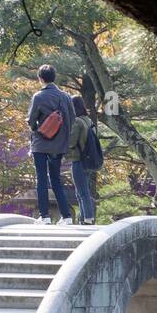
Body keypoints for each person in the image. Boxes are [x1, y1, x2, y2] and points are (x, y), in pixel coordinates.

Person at [26, 64, 76, 225]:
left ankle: (45, 216)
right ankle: (67, 217)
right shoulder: (66, 97)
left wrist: (37, 128)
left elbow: (31, 120)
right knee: (56, 180)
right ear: (54, 77)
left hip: (41, 144)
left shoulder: (38, 97)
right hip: (59, 145)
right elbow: (72, 118)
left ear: (40, 78)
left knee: (41, 179)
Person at [64, 95, 97, 225]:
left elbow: (71, 142)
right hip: (88, 160)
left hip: (78, 160)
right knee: (82, 191)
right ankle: (84, 218)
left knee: (81, 192)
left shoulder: (77, 122)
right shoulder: (88, 120)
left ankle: (87, 218)